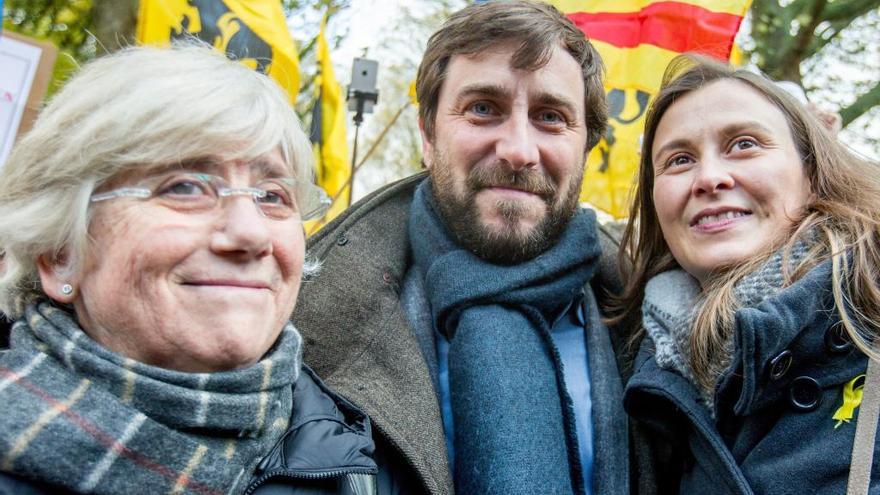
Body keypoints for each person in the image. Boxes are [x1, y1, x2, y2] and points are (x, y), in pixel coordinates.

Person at [293, 1, 646, 494]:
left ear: (586, 147)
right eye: (483, 108)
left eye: (550, 116)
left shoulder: (656, 326)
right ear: (428, 135)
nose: (519, 150)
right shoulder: (296, 329)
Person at [0, 44, 381, 495]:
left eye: (272, 195)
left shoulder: (362, 465)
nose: (251, 233)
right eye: (184, 187)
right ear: (60, 252)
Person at [618, 54, 880, 494]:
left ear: (812, 172)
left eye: (743, 144)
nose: (710, 178)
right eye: (679, 160)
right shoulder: (640, 381)